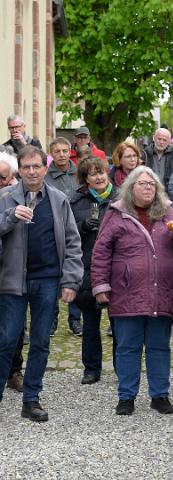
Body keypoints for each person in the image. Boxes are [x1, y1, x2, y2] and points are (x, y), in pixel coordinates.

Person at [91, 166, 173, 416]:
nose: (147, 187)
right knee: (127, 347)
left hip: (161, 291)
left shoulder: (167, 211)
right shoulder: (116, 213)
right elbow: (101, 252)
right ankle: (126, 396)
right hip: (126, 292)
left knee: (159, 346)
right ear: (131, 187)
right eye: (142, 183)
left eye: (152, 184)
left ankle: (160, 395)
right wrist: (100, 286)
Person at [0, 145, 83, 422]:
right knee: (7, 340)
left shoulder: (59, 199)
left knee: (39, 342)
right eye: (26, 167)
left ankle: (31, 399)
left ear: (45, 168)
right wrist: (11, 217)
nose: (32, 172)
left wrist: (71, 280)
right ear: (19, 170)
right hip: (12, 282)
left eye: (37, 166)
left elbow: (73, 243)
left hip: (47, 281)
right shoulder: (6, 197)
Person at [70, 157, 118, 385]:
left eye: (101, 172)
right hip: (87, 267)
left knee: (119, 323)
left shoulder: (120, 198)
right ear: (86, 179)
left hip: (116, 267)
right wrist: (82, 227)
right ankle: (91, 368)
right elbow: (68, 233)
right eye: (93, 174)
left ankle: (122, 366)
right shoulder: (77, 201)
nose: (99, 177)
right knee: (90, 323)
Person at [45, 137, 83, 336]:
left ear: (70, 152)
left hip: (78, 229)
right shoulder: (46, 176)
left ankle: (75, 320)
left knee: (74, 274)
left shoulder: (79, 173)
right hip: (53, 231)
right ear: (51, 153)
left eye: (64, 151)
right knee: (53, 277)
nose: (61, 154)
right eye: (57, 151)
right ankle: (52, 319)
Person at [0, 148, 24, 393]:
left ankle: (14, 371)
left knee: (14, 329)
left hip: (10, 272)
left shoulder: (17, 198)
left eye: (4, 178)